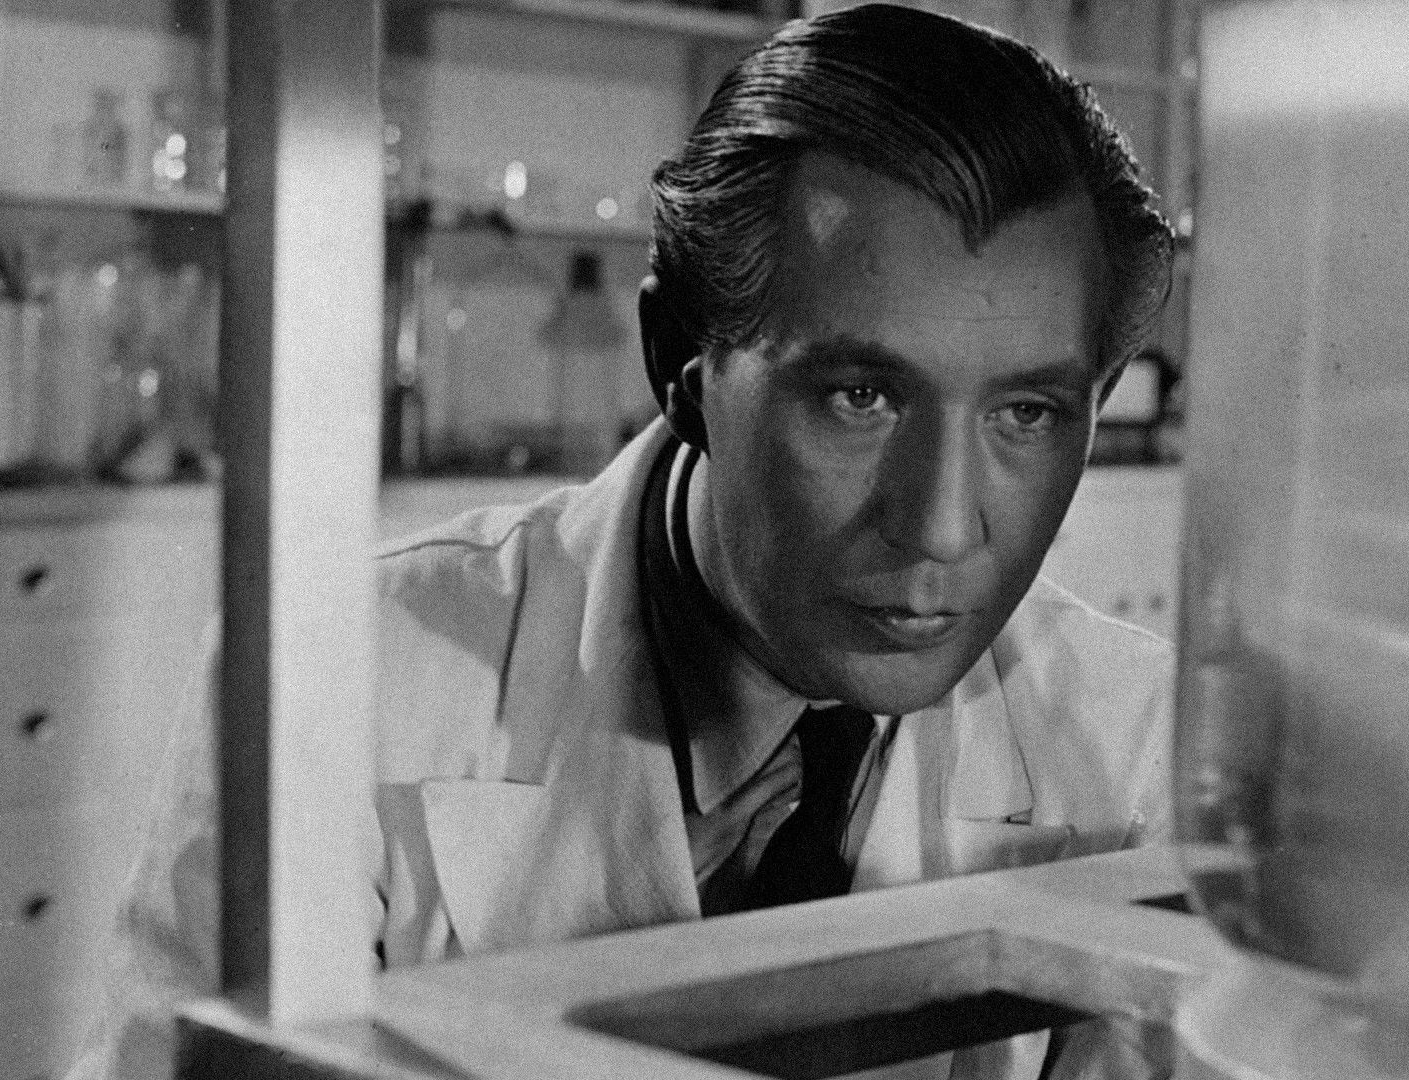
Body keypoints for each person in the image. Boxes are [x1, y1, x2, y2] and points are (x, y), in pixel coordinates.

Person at [71, 4, 1176, 1077]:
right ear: (678, 364)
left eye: (1026, 413)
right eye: (859, 396)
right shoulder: (347, 674)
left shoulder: (1138, 742)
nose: (940, 525)